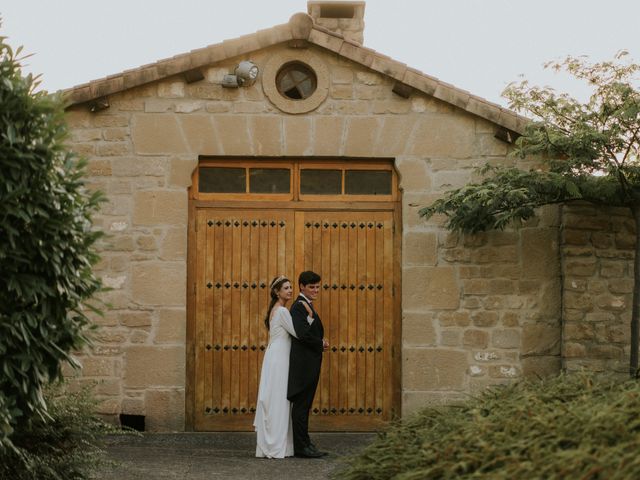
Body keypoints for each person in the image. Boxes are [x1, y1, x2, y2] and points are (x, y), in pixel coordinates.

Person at [254, 275, 314, 459]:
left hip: (273, 355)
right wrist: (310, 317)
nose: (289, 290)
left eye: (290, 287)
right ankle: (276, 444)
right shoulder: (282, 312)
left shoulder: (274, 309)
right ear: (277, 292)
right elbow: (297, 333)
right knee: (279, 399)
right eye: (286, 288)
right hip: (280, 357)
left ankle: (271, 443)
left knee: (273, 398)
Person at [287, 271, 329, 458]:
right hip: (304, 365)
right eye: (312, 287)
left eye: (318, 287)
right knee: (302, 407)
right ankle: (301, 447)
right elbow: (302, 334)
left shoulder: (306, 305)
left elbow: (308, 330)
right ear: (302, 286)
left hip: (310, 362)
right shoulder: (298, 307)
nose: (316, 290)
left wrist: (320, 341)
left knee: (305, 406)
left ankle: (306, 443)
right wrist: (320, 343)